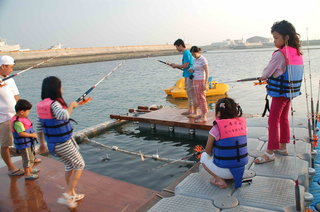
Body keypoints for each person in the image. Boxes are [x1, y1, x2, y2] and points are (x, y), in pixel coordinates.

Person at [254, 20, 304, 164]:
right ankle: (282, 147)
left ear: (286, 37)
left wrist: (263, 77)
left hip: (280, 94)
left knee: (273, 119)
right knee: (283, 118)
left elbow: (267, 72)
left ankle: (270, 152)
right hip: (289, 93)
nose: (274, 41)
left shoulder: (279, 54)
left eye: (276, 38)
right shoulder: (297, 53)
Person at [36, 76, 85, 208]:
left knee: (69, 165)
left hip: (53, 144)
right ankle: (69, 193)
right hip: (63, 143)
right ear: (56, 89)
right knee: (80, 164)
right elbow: (64, 115)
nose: (62, 89)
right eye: (60, 86)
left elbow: (39, 126)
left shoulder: (42, 105)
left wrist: (41, 143)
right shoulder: (54, 104)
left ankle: (73, 193)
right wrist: (71, 106)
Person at [200, 97, 248, 189]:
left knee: (203, 157)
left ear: (218, 112)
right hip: (241, 169)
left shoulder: (215, 129)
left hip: (224, 172)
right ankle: (232, 177)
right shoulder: (243, 125)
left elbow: (208, 151)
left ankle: (219, 179)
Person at [10, 99, 39, 180]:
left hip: (28, 143)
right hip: (24, 144)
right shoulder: (17, 122)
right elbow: (21, 133)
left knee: (31, 157)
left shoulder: (21, 118)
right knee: (27, 159)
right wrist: (32, 135)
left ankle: (30, 170)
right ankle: (27, 174)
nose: (28, 113)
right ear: (22, 112)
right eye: (28, 111)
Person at [170, 39, 197, 116]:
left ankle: (194, 112)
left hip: (190, 76)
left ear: (180, 45)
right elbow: (186, 66)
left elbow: (185, 65)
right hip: (187, 74)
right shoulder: (186, 53)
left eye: (176, 47)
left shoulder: (186, 53)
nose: (176, 49)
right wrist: (175, 65)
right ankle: (190, 110)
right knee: (189, 93)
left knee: (192, 94)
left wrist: (176, 65)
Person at [189, 46, 209, 122]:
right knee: (198, 98)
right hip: (195, 80)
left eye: (194, 54)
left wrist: (205, 83)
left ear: (198, 52)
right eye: (192, 54)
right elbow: (195, 69)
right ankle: (202, 114)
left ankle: (204, 117)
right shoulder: (195, 60)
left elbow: (207, 72)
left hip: (201, 80)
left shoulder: (203, 60)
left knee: (202, 98)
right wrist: (192, 70)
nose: (193, 56)